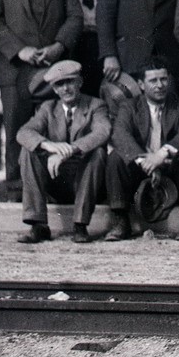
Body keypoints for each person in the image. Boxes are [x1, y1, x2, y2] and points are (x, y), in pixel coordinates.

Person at [0, 0, 82, 201]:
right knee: (17, 127)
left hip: (54, 70)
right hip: (16, 71)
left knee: (55, 126)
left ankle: (56, 188)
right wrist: (20, 51)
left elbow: (74, 17)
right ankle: (17, 190)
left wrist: (58, 47)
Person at [101, 63, 179, 240]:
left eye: (163, 79)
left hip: (171, 166)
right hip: (140, 168)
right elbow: (120, 134)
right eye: (153, 80)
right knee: (116, 157)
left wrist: (161, 155)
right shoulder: (129, 106)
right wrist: (145, 161)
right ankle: (121, 221)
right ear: (141, 84)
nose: (160, 85)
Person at [15, 59, 110, 243]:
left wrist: (69, 150)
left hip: (85, 182)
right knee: (28, 150)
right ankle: (38, 225)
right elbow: (24, 132)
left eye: (70, 82)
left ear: (79, 82)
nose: (65, 88)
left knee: (97, 153)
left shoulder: (96, 105)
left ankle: (80, 225)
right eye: (59, 84)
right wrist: (48, 145)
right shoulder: (48, 108)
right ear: (54, 89)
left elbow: (103, 131)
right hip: (55, 179)